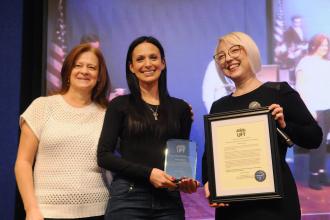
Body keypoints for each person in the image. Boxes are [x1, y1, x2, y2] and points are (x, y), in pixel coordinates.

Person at [202, 32, 322, 220]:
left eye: (235, 50)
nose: (228, 59)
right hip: (233, 207)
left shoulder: (280, 92)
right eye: (221, 56)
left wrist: (285, 125)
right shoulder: (219, 106)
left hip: (276, 205)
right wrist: (210, 183)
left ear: (249, 52)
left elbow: (314, 138)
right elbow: (210, 156)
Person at [97, 36, 199, 220]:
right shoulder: (119, 105)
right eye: (140, 59)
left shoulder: (181, 109)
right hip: (128, 197)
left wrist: (184, 182)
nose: (147, 64)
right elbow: (104, 156)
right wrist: (149, 173)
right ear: (131, 67)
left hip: (169, 201)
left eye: (153, 57)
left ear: (163, 63)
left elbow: (180, 160)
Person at [15, 43, 111, 220]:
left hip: (98, 211)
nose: (84, 71)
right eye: (78, 65)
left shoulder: (107, 114)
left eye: (91, 67)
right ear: (68, 71)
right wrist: (31, 209)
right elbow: (23, 162)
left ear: (99, 77)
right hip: (46, 213)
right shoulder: (42, 106)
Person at [295, 34, 330, 190]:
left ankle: (322, 173)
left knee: (325, 144)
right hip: (314, 108)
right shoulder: (305, 62)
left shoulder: (327, 63)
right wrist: (308, 109)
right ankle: (313, 176)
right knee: (318, 142)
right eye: (322, 44)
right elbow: (300, 87)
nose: (325, 47)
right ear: (314, 45)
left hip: (328, 107)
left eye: (326, 45)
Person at [275, 15, 308, 85]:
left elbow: (303, 41)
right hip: (293, 54)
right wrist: (295, 50)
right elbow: (288, 44)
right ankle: (293, 83)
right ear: (292, 22)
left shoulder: (302, 30)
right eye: (296, 22)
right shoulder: (288, 32)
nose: (298, 24)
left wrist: (305, 46)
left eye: (299, 22)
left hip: (302, 54)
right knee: (294, 69)